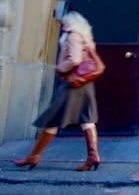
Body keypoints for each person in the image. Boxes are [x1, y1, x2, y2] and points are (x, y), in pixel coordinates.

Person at [14, 11, 101, 171]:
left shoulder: (73, 35)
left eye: (63, 22)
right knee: (86, 119)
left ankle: (34, 156)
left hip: (73, 83)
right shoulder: (85, 35)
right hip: (84, 83)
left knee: (53, 118)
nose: (61, 24)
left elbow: (74, 59)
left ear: (70, 22)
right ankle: (93, 156)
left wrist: (60, 68)